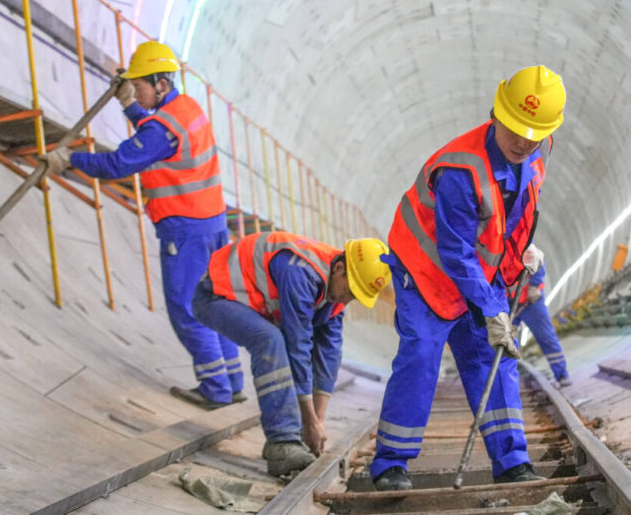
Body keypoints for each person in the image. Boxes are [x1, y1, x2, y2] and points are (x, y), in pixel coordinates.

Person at [370, 66, 566, 491]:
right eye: (516, 129)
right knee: (421, 355)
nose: (523, 141)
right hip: (426, 273)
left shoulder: (538, 150)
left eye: (534, 133)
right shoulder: (461, 171)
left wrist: (523, 253)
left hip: (479, 272)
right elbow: (455, 251)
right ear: (496, 113)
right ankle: (390, 464)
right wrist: (492, 307)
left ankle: (512, 461)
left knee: (494, 358)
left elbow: (513, 213)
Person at [43, 41, 244, 409]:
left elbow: (118, 163)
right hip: (212, 225)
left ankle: (215, 389)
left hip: (186, 231)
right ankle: (233, 382)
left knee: (188, 309)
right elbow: (157, 134)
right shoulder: (186, 108)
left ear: (160, 84)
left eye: (139, 86)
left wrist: (69, 159)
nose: (136, 92)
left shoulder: (161, 127)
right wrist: (130, 107)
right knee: (216, 304)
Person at [192, 233, 390, 475]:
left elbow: (329, 353)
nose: (346, 300)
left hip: (245, 301)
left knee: (293, 345)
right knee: (270, 340)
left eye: (355, 297)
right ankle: (282, 442)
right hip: (214, 295)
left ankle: (293, 436)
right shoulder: (301, 271)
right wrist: (308, 421)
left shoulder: (335, 289)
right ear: (339, 268)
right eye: (350, 291)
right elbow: (297, 345)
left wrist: (317, 420)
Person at [509, 248, 570, 387]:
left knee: (545, 336)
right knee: (505, 342)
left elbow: (536, 260)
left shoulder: (520, 241)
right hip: (509, 303)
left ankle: (561, 374)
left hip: (531, 301)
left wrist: (535, 285)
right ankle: (508, 382)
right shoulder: (493, 248)